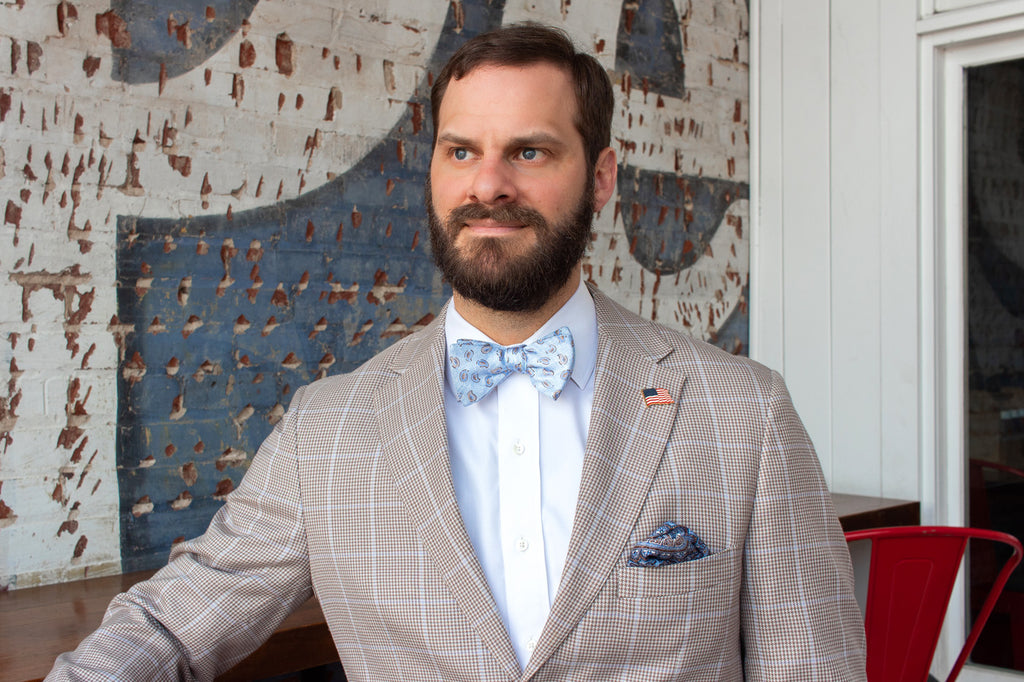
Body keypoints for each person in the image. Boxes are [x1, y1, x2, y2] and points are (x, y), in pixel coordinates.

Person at [48, 23, 866, 681]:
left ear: (603, 176)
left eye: (531, 151)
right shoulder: (326, 432)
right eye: (462, 151)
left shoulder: (743, 413)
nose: (489, 185)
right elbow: (171, 625)